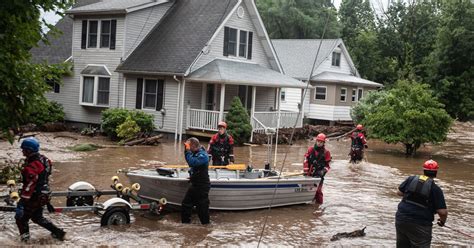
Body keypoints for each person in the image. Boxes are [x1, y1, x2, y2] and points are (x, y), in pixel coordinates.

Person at [15, 138, 65, 242]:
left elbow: (30, 184)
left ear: (28, 150)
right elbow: (46, 175)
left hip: (35, 195)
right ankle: (58, 232)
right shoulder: (45, 159)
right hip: (44, 194)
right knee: (37, 217)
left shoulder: (32, 165)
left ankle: (25, 242)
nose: (22, 151)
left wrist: (22, 202)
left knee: (21, 218)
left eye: (23, 149)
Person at [395, 159, 448, 247]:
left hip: (401, 219)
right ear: (436, 173)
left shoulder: (411, 179)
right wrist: (442, 221)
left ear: (424, 170)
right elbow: (443, 212)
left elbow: (399, 192)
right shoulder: (435, 189)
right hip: (421, 224)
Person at [182, 137, 211, 224]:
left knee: (202, 208)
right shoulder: (195, 152)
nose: (187, 148)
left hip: (202, 186)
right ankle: (185, 225)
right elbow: (194, 167)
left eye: (188, 146)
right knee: (186, 204)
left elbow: (192, 162)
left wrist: (187, 151)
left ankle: (206, 227)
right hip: (195, 184)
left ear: (193, 146)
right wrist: (192, 177)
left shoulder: (203, 156)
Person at [303, 133, 331, 204]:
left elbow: (327, 166)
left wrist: (323, 171)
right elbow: (305, 159)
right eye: (318, 141)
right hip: (309, 174)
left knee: (318, 191)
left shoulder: (326, 153)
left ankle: (319, 206)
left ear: (323, 143)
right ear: (316, 141)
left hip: (319, 175)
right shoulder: (310, 149)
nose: (319, 143)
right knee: (307, 190)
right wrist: (305, 170)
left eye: (321, 142)